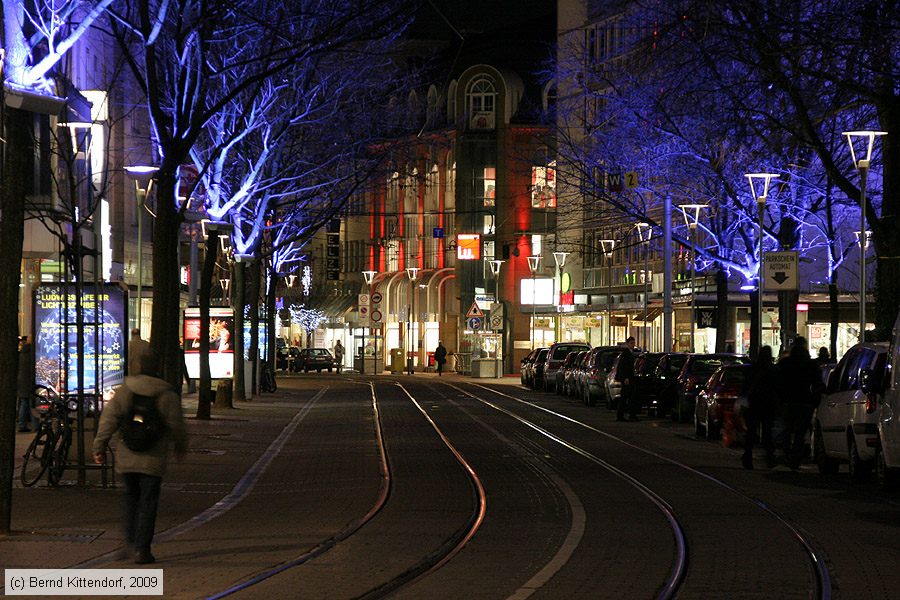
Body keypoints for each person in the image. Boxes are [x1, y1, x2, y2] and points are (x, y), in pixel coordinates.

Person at [93, 349, 188, 565]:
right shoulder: (167, 395)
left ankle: (129, 540)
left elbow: (108, 420)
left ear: (136, 368)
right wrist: (181, 446)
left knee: (130, 498)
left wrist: (99, 446)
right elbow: (177, 425)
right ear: (157, 368)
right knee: (148, 502)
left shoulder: (124, 391)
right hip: (152, 458)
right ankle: (142, 549)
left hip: (127, 456)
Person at [776, 336, 824, 470]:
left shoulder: (786, 363)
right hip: (805, 401)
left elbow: (778, 382)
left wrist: (780, 399)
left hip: (788, 401)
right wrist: (815, 399)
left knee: (788, 428)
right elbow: (818, 383)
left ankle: (787, 453)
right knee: (800, 432)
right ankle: (795, 458)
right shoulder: (810, 364)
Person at [742, 345, 779, 470]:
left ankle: (748, 456)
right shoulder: (773, 370)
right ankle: (769, 457)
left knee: (751, 432)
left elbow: (746, 385)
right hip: (768, 404)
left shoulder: (753, 369)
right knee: (767, 431)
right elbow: (778, 388)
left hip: (755, 403)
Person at [17, 336, 36, 432]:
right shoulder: (32, 354)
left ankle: (22, 424)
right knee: (31, 404)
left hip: (22, 381)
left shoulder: (22, 353)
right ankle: (35, 425)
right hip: (28, 381)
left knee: (24, 403)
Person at [615, 337, 637, 421]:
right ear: (627, 344)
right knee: (625, 397)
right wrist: (625, 378)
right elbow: (623, 367)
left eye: (633, 343)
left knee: (629, 397)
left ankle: (630, 415)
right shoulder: (626, 353)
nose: (633, 345)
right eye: (631, 343)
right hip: (627, 379)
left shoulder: (630, 353)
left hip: (629, 378)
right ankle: (622, 416)